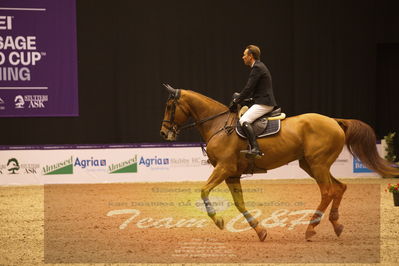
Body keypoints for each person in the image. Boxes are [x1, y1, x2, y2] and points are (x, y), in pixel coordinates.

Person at [230, 45, 277, 158]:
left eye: (245, 55)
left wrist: (237, 100)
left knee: (244, 120)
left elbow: (248, 88)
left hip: (264, 103)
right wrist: (244, 99)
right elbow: (255, 90)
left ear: (250, 56)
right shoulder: (258, 66)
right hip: (261, 100)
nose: (243, 57)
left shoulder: (257, 68)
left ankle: (255, 148)